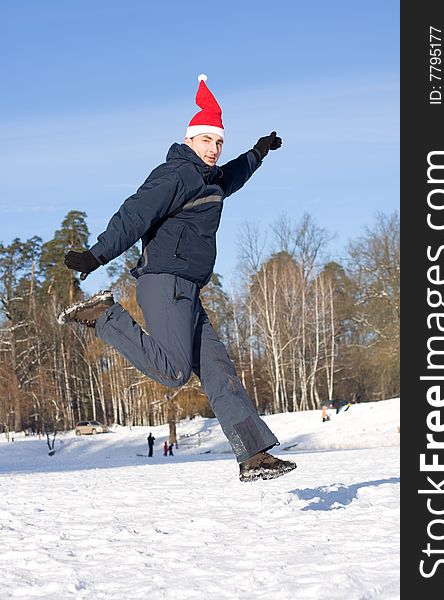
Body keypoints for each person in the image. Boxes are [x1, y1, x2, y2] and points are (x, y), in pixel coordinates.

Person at [58, 74, 297, 483]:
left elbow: (233, 176)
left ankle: (253, 454)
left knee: (220, 372)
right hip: (164, 281)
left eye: (219, 143)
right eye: (208, 141)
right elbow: (136, 212)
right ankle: (103, 317)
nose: (215, 149)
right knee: (172, 372)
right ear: (190, 139)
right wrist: (98, 254)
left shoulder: (210, 178)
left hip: (188, 289)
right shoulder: (176, 174)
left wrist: (258, 152)